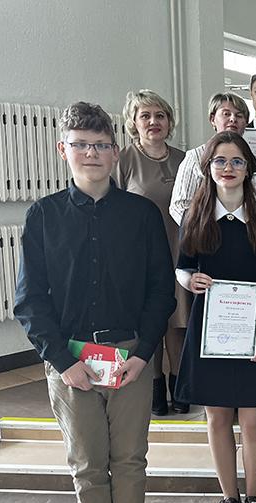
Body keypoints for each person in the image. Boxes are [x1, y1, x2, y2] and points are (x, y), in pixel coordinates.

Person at [14, 102, 176, 503]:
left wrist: (144, 354)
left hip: (129, 356)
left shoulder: (141, 215)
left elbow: (160, 291)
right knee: (86, 460)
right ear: (62, 150)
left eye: (101, 145)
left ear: (115, 151)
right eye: (81, 144)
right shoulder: (43, 216)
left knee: (130, 456)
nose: (91, 153)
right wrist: (63, 363)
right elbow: (30, 300)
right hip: (70, 360)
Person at [173, 131, 256, 503]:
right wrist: (189, 281)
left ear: (248, 168)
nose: (228, 168)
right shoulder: (196, 215)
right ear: (208, 168)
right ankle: (229, 499)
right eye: (220, 161)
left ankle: (254, 498)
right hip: (211, 333)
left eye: (237, 161)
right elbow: (183, 266)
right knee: (218, 418)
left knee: (254, 422)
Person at [113, 89, 188, 415]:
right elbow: (113, 209)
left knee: (178, 322)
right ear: (134, 122)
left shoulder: (185, 159)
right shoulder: (123, 160)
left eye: (160, 115)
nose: (153, 121)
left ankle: (179, 383)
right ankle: (155, 385)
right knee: (150, 322)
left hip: (180, 251)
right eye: (145, 116)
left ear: (169, 121)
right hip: (141, 256)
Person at [169, 92, 249, 225]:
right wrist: (201, 229)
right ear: (212, 119)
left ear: (246, 123)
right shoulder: (195, 156)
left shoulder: (250, 157)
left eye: (239, 115)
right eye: (226, 114)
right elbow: (179, 205)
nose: (233, 119)